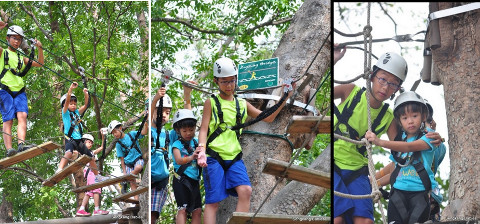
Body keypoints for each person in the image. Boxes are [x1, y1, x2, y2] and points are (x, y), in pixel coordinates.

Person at [196, 57, 294, 224]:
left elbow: (267, 118)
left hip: (234, 156)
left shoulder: (242, 104)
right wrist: (201, 150)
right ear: (216, 81)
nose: (228, 86)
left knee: (246, 190)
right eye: (224, 82)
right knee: (213, 202)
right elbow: (204, 128)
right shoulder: (211, 102)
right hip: (214, 156)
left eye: (232, 81)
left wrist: (285, 96)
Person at [334, 44, 408, 224]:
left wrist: (424, 129)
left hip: (358, 171)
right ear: (373, 76)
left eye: (393, 84)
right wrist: (333, 59)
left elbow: (401, 150)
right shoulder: (350, 91)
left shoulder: (388, 117)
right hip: (334, 162)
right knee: (337, 219)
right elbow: (319, 91)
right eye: (382, 79)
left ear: (397, 89)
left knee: (365, 222)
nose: (385, 87)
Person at [365, 91, 439, 224]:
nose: (410, 121)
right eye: (405, 118)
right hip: (397, 193)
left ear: (423, 116)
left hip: (419, 194)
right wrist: (375, 182)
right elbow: (394, 172)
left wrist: (380, 142)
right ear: (399, 121)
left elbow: (410, 147)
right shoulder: (399, 140)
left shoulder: (429, 137)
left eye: (414, 116)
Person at [150, 81, 196, 224]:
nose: (164, 115)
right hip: (148, 179)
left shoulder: (171, 136)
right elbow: (148, 118)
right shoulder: (149, 130)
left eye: (167, 112)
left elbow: (187, 122)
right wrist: (155, 100)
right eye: (160, 111)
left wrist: (187, 95)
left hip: (160, 182)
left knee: (152, 216)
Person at [0, 22, 44, 156]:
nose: (16, 41)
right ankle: (9, 149)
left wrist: (40, 48)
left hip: (19, 90)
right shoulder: (3, 52)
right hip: (4, 89)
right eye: (14, 38)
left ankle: (21, 145)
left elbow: (40, 64)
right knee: (8, 119)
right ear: (7, 38)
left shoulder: (20, 57)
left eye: (19, 39)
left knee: (22, 116)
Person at [58, 82, 105, 180]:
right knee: (69, 153)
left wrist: (86, 94)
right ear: (65, 105)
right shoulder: (65, 112)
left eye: (75, 104)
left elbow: (86, 105)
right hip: (70, 139)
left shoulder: (76, 113)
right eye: (71, 104)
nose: (73, 105)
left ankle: (97, 176)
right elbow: (66, 102)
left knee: (91, 156)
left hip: (79, 140)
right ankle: (59, 169)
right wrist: (70, 89)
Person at [171, 109, 202, 224]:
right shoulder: (176, 145)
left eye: (191, 130)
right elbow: (179, 160)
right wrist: (192, 157)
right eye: (184, 130)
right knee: (183, 209)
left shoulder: (196, 143)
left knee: (197, 210)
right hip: (181, 180)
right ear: (178, 131)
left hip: (194, 180)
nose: (188, 133)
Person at [108, 116, 148, 201]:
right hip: (128, 163)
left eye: (115, 131)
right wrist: (124, 173)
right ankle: (136, 200)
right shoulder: (118, 144)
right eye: (113, 133)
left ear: (120, 128)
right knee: (132, 182)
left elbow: (144, 132)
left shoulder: (132, 134)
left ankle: (124, 181)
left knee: (138, 167)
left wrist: (146, 125)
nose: (115, 134)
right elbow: (122, 160)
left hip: (137, 158)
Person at [76, 133, 109, 216]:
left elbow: (101, 148)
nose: (90, 144)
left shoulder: (91, 152)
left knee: (89, 192)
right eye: (89, 142)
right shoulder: (81, 152)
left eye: (91, 143)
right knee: (96, 189)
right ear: (83, 142)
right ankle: (97, 209)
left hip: (91, 172)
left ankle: (81, 209)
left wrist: (103, 136)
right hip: (90, 172)